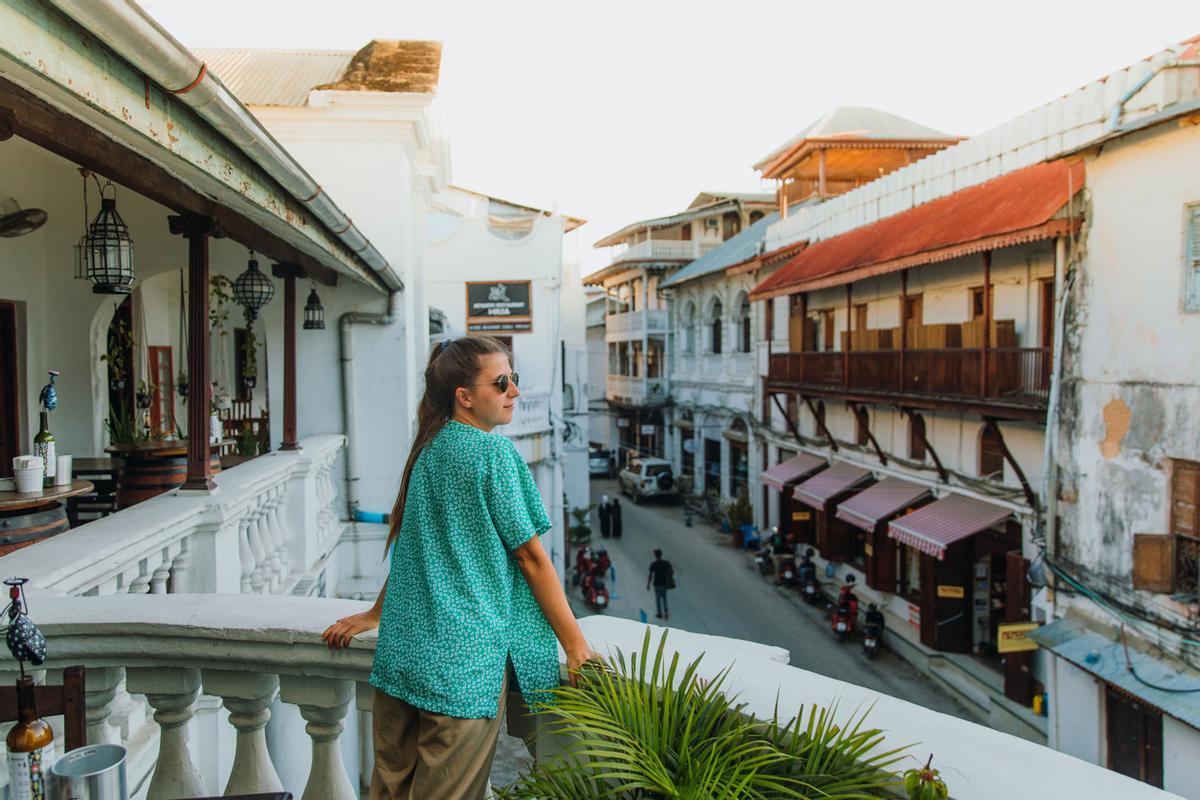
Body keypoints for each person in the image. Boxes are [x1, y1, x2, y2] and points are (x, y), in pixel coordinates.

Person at [321, 336, 597, 800]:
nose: (514, 391)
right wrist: (576, 646)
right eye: (501, 382)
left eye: (514, 379)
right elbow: (530, 557)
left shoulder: (429, 450)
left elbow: (415, 548)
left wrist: (376, 613)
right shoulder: (494, 455)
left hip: (404, 657)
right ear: (464, 397)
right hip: (461, 669)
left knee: (388, 790)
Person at [646, 548, 674, 619]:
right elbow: (670, 572)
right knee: (664, 598)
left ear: (655, 555)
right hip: (664, 583)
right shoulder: (665, 563)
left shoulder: (653, 564)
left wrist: (648, 584)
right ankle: (666, 612)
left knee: (658, 599)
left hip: (657, 583)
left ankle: (659, 613)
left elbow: (651, 575)